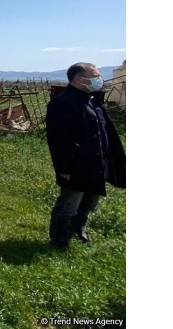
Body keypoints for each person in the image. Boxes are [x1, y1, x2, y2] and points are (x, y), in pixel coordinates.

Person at [46, 62, 126, 249]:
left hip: (97, 161)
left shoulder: (93, 100)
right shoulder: (62, 103)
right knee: (68, 205)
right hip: (77, 164)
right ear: (80, 79)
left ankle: (78, 233)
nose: (99, 79)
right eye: (95, 76)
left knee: (89, 202)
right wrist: (63, 167)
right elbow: (58, 139)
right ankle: (59, 241)